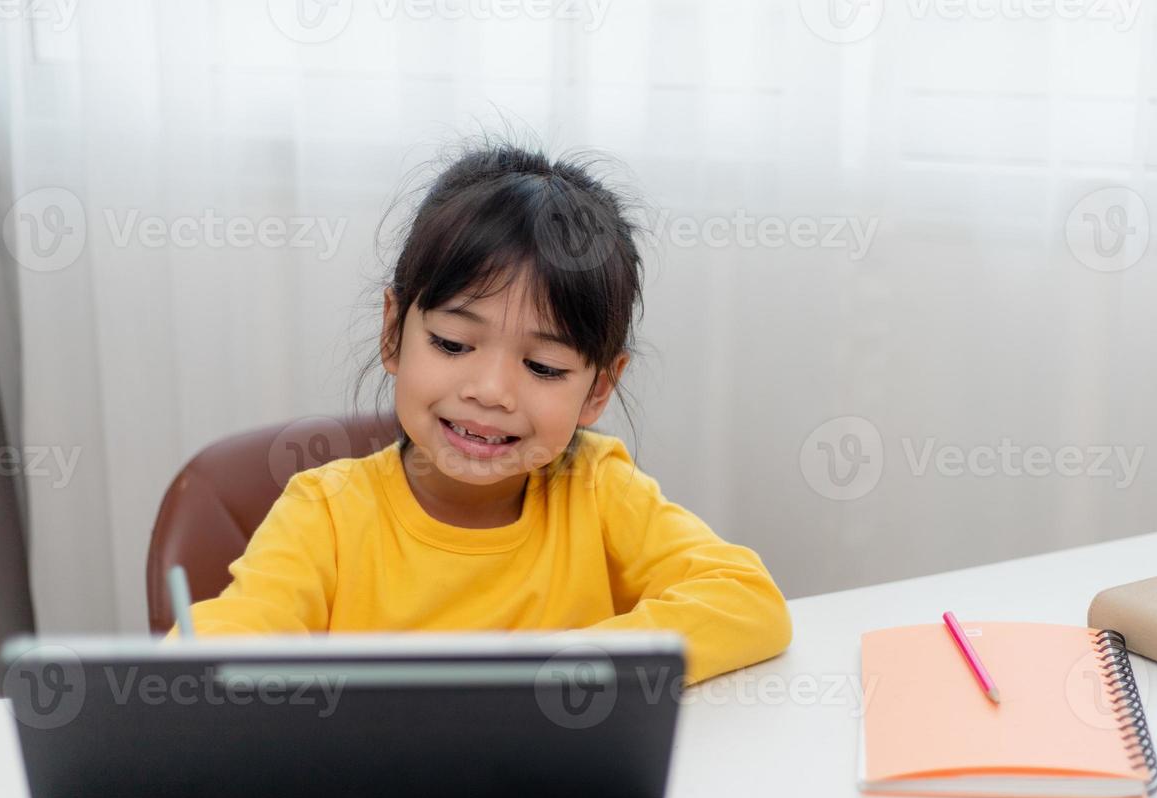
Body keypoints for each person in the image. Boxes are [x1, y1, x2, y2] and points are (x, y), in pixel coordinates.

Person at [167, 138, 791, 684]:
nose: (491, 390)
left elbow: (748, 600)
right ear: (394, 333)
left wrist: (551, 667)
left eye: (544, 367)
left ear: (598, 389)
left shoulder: (597, 488)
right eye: (452, 344)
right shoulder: (325, 516)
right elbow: (223, 647)